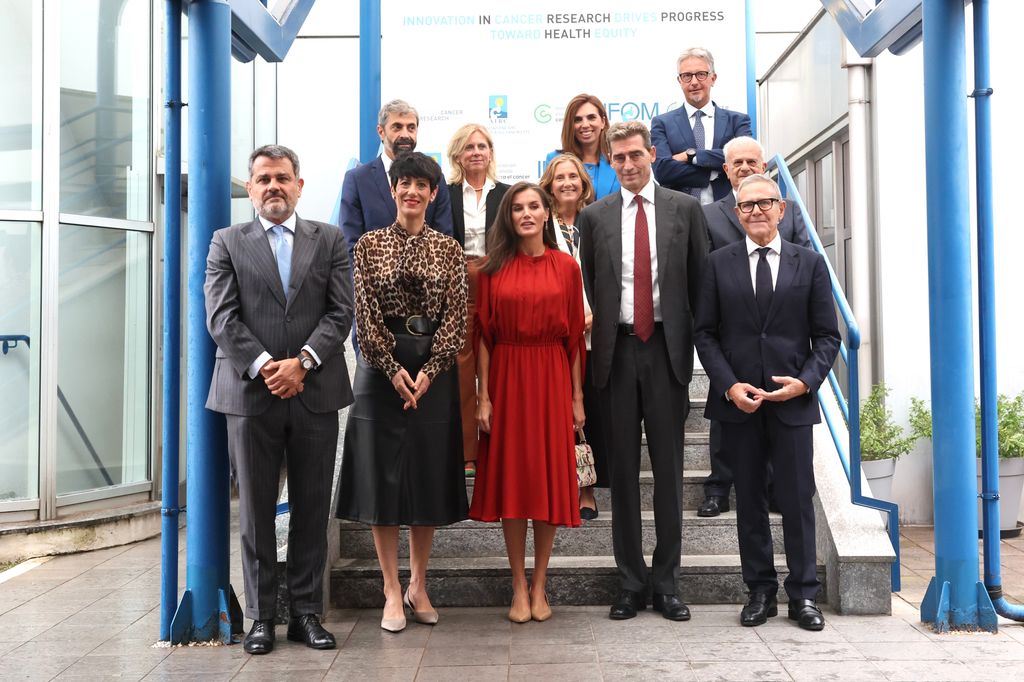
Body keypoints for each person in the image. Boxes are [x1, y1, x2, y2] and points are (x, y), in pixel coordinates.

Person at [204, 145, 353, 655]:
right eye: (263, 178)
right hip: (250, 395)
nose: (273, 186)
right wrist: (268, 366)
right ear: (250, 187)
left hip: (314, 391)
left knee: (312, 508)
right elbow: (221, 317)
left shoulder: (330, 239)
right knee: (255, 513)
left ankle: (307, 615)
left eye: (283, 178)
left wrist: (303, 362)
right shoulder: (226, 241)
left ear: (299, 185)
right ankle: (262, 617)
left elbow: (340, 312)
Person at [693, 174, 840, 631]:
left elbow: (828, 336)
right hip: (740, 404)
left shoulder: (811, 263)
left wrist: (806, 383)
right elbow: (705, 333)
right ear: (737, 214)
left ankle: (804, 596)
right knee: (750, 500)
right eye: (747, 205)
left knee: (796, 499)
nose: (756, 211)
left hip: (792, 404)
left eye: (765, 203)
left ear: (783, 209)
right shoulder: (718, 264)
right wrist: (729, 386)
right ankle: (760, 591)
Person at [578, 122, 708, 621]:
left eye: (635, 155)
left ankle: (668, 583)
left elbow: (699, 285)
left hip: (667, 354)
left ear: (652, 154)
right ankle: (631, 583)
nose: (628, 165)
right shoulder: (594, 217)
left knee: (670, 473)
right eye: (619, 159)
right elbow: (592, 282)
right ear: (610, 161)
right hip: (615, 353)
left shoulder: (686, 209)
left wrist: (690, 349)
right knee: (624, 476)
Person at [336, 152, 469, 633]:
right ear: (393, 190)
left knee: (428, 474)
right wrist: (392, 368)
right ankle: (391, 588)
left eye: (422, 185)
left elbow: (457, 318)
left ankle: (418, 584)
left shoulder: (449, 249)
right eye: (404, 183)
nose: (412, 191)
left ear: (434, 194)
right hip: (379, 370)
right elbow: (364, 314)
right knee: (383, 479)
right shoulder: (369, 245)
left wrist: (430, 370)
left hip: (433, 371)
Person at [469, 182, 586, 624]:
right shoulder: (491, 270)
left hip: (553, 377)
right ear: (508, 217)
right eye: (517, 208)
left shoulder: (566, 268)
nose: (526, 214)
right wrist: (483, 396)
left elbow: (574, 338)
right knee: (515, 483)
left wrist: (577, 398)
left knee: (546, 481)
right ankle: (517, 585)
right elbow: (483, 336)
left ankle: (541, 583)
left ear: (547, 212)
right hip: (507, 377)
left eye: (534, 206)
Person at [697, 136, 811, 518]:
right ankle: (718, 486)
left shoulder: (790, 211)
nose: (744, 167)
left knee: (779, 422)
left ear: (764, 166)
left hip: (779, 330)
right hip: (733, 333)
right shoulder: (710, 214)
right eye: (736, 163)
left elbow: (804, 259)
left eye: (752, 161)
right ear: (725, 170)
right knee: (728, 415)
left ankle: (776, 488)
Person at [539, 154, 604, 520]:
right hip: (558, 333)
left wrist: (598, 314)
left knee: (588, 413)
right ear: (549, 184)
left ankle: (586, 488)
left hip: (597, 333)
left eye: (573, 177)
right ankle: (558, 484)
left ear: (583, 184)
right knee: (559, 412)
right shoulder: (541, 225)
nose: (567, 182)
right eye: (560, 177)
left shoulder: (597, 220)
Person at [446, 123, 510, 477]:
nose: (476, 152)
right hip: (457, 283)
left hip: (498, 279)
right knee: (462, 365)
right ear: (458, 154)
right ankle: (468, 452)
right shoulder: (445, 193)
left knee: (499, 364)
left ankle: (499, 447)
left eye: (482, 146)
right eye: (469, 147)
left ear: (490, 152)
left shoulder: (507, 192)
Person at [340, 99, 454, 261]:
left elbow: (444, 241)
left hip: (427, 282)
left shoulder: (435, 177)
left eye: (411, 128)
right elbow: (351, 247)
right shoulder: (357, 180)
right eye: (397, 127)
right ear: (381, 132)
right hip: (374, 282)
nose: (405, 135)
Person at [651, 47, 752, 204]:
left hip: (728, 212)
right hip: (680, 214)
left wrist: (691, 156)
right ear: (679, 80)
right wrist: (713, 171)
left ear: (713, 78)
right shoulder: (662, 123)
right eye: (687, 76)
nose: (694, 82)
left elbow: (743, 157)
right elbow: (662, 170)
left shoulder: (737, 121)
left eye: (701, 74)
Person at [544, 94, 621, 200]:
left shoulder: (619, 158)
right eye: (578, 120)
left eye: (591, 118)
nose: (585, 125)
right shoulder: (554, 159)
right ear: (570, 125)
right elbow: (548, 201)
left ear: (603, 122)